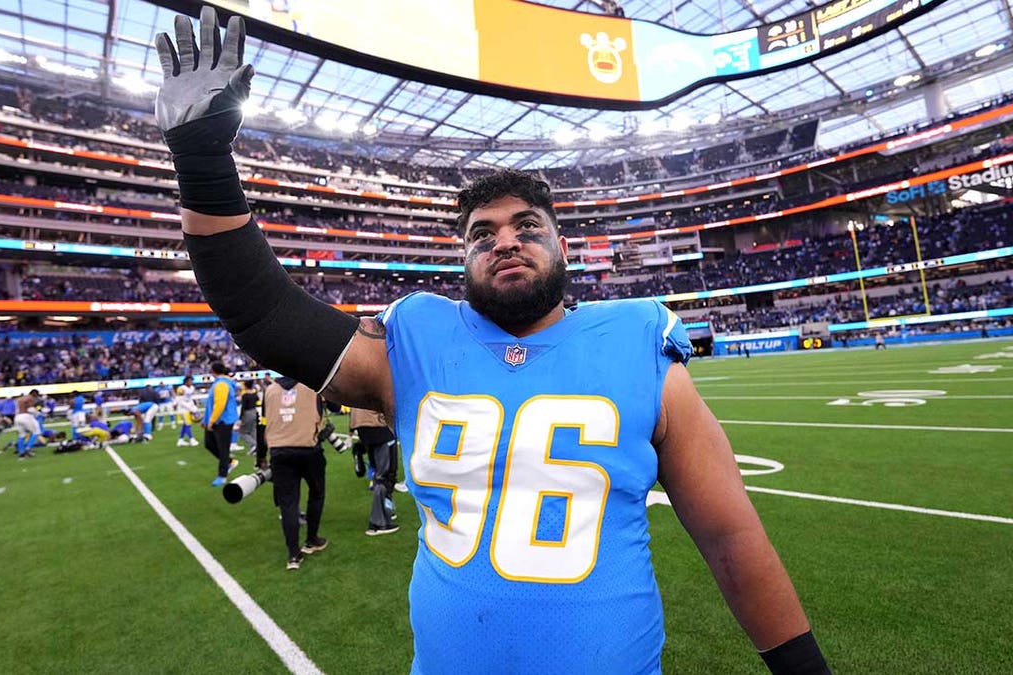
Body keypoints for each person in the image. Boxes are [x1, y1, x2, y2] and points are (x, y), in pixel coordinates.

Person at [156, 9, 828, 673]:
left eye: (526, 226)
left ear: (564, 248)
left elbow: (728, 534)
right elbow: (264, 313)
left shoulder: (638, 340)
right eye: (482, 234)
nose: (505, 240)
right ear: (463, 260)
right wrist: (203, 163)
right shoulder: (415, 340)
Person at [260, 376, 330, 569]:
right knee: (317, 493)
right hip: (308, 448)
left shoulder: (270, 390)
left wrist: (261, 456)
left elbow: (262, 423)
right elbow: (333, 408)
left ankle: (293, 554)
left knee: (288, 503)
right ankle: (312, 539)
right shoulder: (311, 384)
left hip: (279, 451)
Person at [350, 405, 399, 536]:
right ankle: (379, 522)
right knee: (385, 475)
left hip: (363, 425)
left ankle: (386, 511)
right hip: (378, 425)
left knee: (380, 472)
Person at [202, 361, 239, 487]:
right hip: (217, 420)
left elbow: (220, 405)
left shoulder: (222, 384)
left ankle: (222, 475)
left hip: (223, 421)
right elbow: (212, 404)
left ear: (213, 371)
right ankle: (229, 462)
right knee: (209, 444)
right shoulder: (220, 383)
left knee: (223, 448)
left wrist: (211, 421)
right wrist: (205, 420)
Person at [13, 389, 42, 459]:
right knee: (36, 432)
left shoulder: (19, 399)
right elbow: (30, 409)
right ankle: (28, 448)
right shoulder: (30, 398)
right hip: (25, 416)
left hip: (17, 417)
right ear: (34, 393)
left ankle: (21, 453)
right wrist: (39, 413)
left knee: (21, 435)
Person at [237, 379, 259, 456]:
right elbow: (257, 401)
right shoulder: (255, 393)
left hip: (247, 413)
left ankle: (253, 445)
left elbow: (243, 407)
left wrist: (240, 418)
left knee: (242, 432)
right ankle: (258, 448)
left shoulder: (245, 395)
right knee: (253, 430)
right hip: (254, 411)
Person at [175, 376, 199, 446]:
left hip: (189, 407)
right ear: (186, 381)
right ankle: (191, 439)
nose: (191, 382)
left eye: (191, 381)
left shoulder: (192, 388)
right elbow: (180, 401)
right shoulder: (181, 389)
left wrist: (194, 407)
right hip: (183, 408)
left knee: (185, 424)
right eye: (190, 381)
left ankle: (180, 440)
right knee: (188, 424)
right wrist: (191, 409)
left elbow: (190, 398)